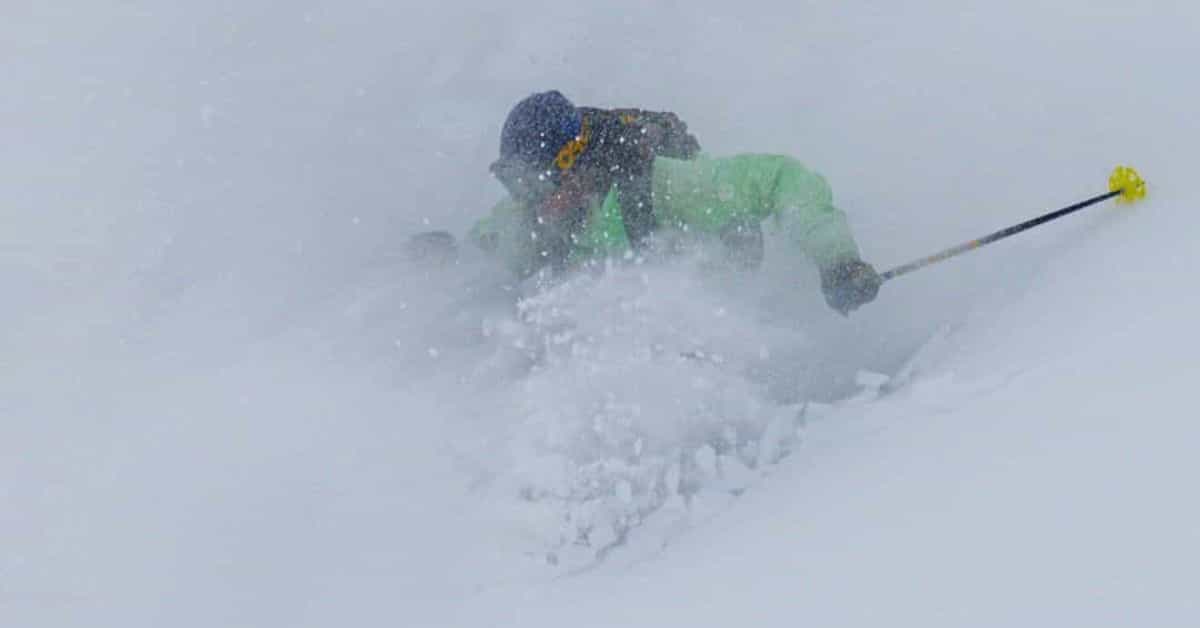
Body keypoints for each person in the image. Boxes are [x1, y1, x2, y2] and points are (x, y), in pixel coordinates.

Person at [471, 90, 882, 315]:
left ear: (577, 165)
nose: (532, 201)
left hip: (726, 311)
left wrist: (836, 260)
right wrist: (437, 262)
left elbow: (780, 178)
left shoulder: (659, 186)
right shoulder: (534, 215)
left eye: (539, 184)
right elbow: (483, 248)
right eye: (516, 185)